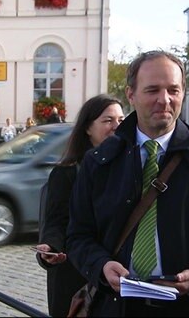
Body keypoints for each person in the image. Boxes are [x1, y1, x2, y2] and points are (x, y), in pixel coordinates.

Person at [67, 50, 189, 316]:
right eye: (152, 90)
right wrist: (101, 265)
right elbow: (78, 236)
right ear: (130, 95)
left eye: (173, 90)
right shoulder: (99, 161)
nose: (164, 100)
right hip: (117, 307)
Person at [34, 94, 125, 317]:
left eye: (121, 120)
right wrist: (51, 248)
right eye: (108, 121)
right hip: (76, 274)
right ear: (87, 128)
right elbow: (56, 221)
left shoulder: (130, 168)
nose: (116, 126)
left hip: (117, 275)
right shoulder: (66, 173)